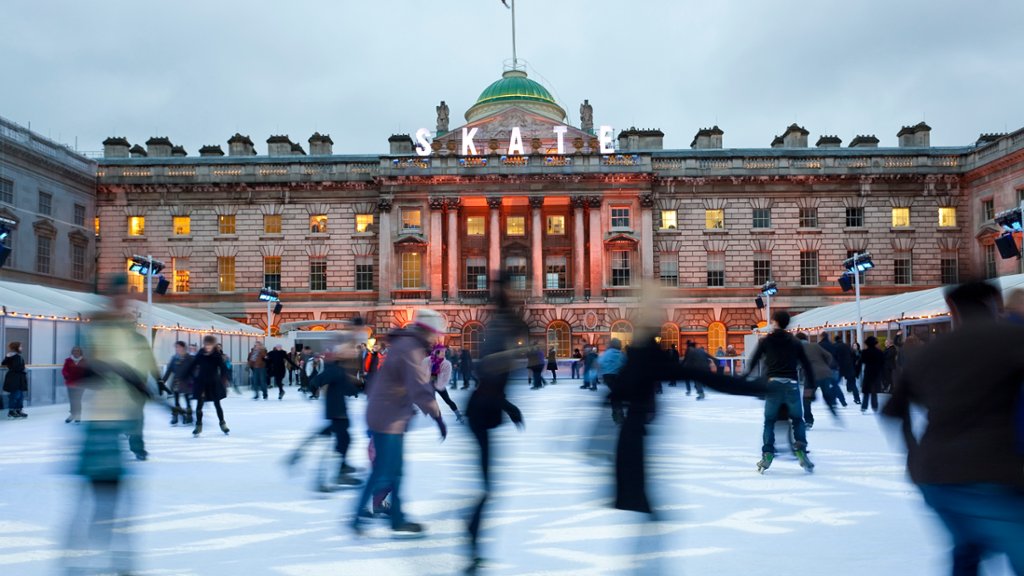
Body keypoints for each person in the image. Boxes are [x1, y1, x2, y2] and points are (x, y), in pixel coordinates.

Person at [882, 281, 1024, 574]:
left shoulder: (928, 353)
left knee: (968, 547)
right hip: (996, 473)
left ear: (951, 309)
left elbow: (893, 411)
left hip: (936, 476)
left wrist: (914, 453)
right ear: (996, 302)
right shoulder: (1014, 338)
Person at [352, 309, 448, 537]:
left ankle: (395, 518)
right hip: (388, 417)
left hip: (389, 414)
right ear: (428, 331)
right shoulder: (410, 348)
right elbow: (419, 386)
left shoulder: (406, 345)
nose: (437, 339)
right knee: (385, 471)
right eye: (436, 334)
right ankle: (361, 518)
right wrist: (437, 416)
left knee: (393, 471)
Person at [465, 277, 526, 572]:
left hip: (484, 413)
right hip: (480, 412)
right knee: (487, 487)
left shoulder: (503, 324)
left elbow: (493, 369)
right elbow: (486, 368)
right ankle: (471, 536)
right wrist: (508, 405)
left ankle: (472, 534)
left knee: (488, 486)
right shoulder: (500, 326)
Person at [743, 310, 816, 473]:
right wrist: (811, 387)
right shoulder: (795, 342)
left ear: (775, 322)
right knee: (797, 420)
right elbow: (806, 365)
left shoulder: (766, 341)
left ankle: (768, 452)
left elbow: (753, 361)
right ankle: (801, 449)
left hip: (773, 384)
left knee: (769, 421)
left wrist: (744, 378)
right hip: (791, 384)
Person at [310, 343, 363, 490]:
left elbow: (344, 386)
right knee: (340, 443)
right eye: (350, 353)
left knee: (344, 441)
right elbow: (316, 381)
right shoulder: (334, 369)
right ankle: (327, 477)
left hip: (339, 411)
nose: (353, 354)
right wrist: (313, 389)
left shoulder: (339, 370)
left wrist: (356, 389)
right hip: (336, 411)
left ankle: (342, 469)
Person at [186, 336, 231, 437]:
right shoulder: (200, 354)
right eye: (206, 345)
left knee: (217, 405)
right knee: (199, 405)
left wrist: (223, 379)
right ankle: (198, 426)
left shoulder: (217, 355)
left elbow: (223, 369)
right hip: (201, 383)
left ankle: (222, 423)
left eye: (210, 345)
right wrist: (193, 377)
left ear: (213, 345)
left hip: (214, 383)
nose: (208, 347)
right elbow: (191, 367)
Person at [795, 332, 838, 429]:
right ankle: (834, 411)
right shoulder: (815, 346)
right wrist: (824, 366)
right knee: (827, 395)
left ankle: (808, 421)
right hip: (824, 374)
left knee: (806, 400)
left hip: (811, 378)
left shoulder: (798, 350)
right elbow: (829, 356)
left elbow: (796, 364)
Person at [161, 341, 194, 426]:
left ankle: (189, 415)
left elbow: (194, 371)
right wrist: (163, 381)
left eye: (178, 347)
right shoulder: (174, 358)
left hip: (187, 381)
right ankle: (175, 417)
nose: (177, 349)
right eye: (176, 347)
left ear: (183, 348)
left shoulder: (189, 358)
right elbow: (169, 370)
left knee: (187, 399)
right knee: (176, 400)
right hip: (177, 382)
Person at [427, 345, 462, 423]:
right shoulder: (430, 360)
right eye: (441, 352)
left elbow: (445, 376)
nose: (443, 354)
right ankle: (439, 419)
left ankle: (458, 415)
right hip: (432, 384)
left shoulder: (444, 363)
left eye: (444, 352)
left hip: (439, 385)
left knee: (447, 400)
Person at [598, 338, 626, 423]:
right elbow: (626, 364)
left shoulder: (606, 354)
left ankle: (616, 414)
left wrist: (600, 375)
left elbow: (599, 363)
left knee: (616, 395)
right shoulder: (621, 354)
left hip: (607, 376)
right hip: (617, 376)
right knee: (617, 395)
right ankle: (618, 414)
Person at [858, 336, 885, 413]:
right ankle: (875, 406)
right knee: (874, 391)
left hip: (868, 373)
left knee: (866, 391)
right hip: (876, 373)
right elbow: (883, 363)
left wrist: (857, 372)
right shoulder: (879, 352)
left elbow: (861, 362)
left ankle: (864, 407)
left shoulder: (864, 352)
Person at [3, 342, 28, 418]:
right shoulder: (13, 356)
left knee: (20, 395)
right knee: (15, 395)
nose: (22, 348)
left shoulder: (18, 356)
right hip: (14, 378)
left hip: (19, 378)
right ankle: (12, 411)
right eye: (20, 346)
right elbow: (14, 366)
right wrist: (23, 369)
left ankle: (18, 410)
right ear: (16, 347)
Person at [62, 346, 88, 423]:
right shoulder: (68, 360)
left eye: (78, 351)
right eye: (74, 351)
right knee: (72, 399)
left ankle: (78, 415)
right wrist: (66, 375)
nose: (76, 352)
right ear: (72, 352)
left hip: (81, 384)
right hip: (71, 383)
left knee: (77, 399)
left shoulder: (84, 361)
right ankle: (72, 414)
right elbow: (64, 370)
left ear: (80, 352)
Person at [833, 335, 860, 405]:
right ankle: (857, 399)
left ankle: (839, 399)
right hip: (849, 367)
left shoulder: (835, 346)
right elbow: (854, 355)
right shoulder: (847, 346)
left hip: (839, 368)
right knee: (853, 385)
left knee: (835, 384)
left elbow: (834, 357)